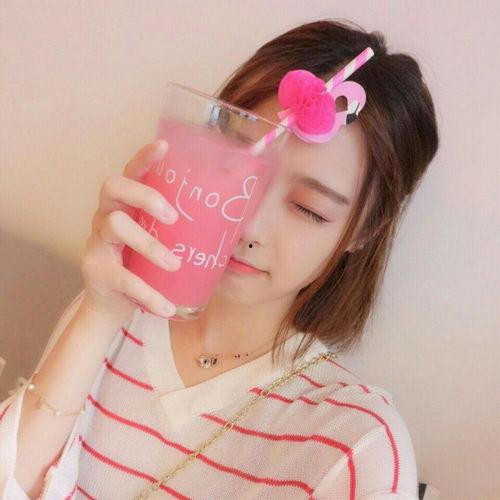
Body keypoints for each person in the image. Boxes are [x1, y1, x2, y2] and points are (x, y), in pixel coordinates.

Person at [0, 18, 439, 500]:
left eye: (308, 209)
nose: (248, 227)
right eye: (238, 169)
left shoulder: (355, 446)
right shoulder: (113, 316)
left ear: (364, 230)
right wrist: (98, 314)